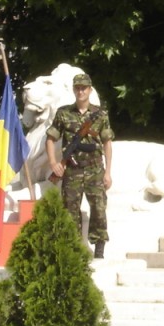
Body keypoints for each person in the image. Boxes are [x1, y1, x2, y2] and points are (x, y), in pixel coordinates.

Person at [45, 72, 114, 259]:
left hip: (95, 170)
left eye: (84, 87)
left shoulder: (100, 114)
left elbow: (107, 142)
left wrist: (108, 172)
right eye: (77, 87)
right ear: (73, 90)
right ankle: (73, 250)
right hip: (73, 170)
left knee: (99, 209)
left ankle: (99, 249)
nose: (80, 91)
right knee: (70, 211)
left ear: (90, 90)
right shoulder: (63, 113)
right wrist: (54, 163)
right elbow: (50, 138)